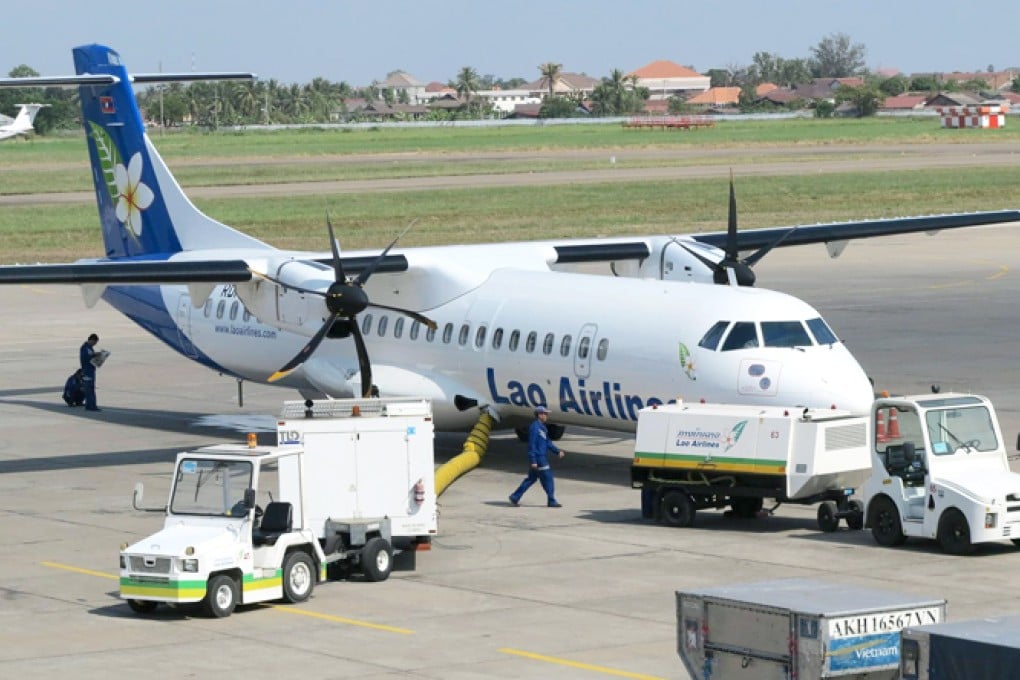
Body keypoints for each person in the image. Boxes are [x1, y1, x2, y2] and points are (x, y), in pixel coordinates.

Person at [509, 405, 565, 508]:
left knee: (531, 479)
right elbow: (532, 445)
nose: (546, 416)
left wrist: (557, 451)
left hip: (539, 457)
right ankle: (551, 500)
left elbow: (547, 442)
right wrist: (533, 460)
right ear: (539, 415)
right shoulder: (535, 428)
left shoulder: (542, 427)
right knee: (548, 478)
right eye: (545, 414)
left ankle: (515, 497)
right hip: (539, 458)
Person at [79, 333, 100, 411]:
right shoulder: (85, 348)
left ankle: (90, 405)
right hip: (87, 371)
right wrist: (94, 354)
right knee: (89, 389)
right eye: (95, 342)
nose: (95, 344)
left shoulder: (89, 348)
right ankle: (91, 406)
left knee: (90, 388)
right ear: (92, 340)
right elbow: (87, 358)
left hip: (90, 370)